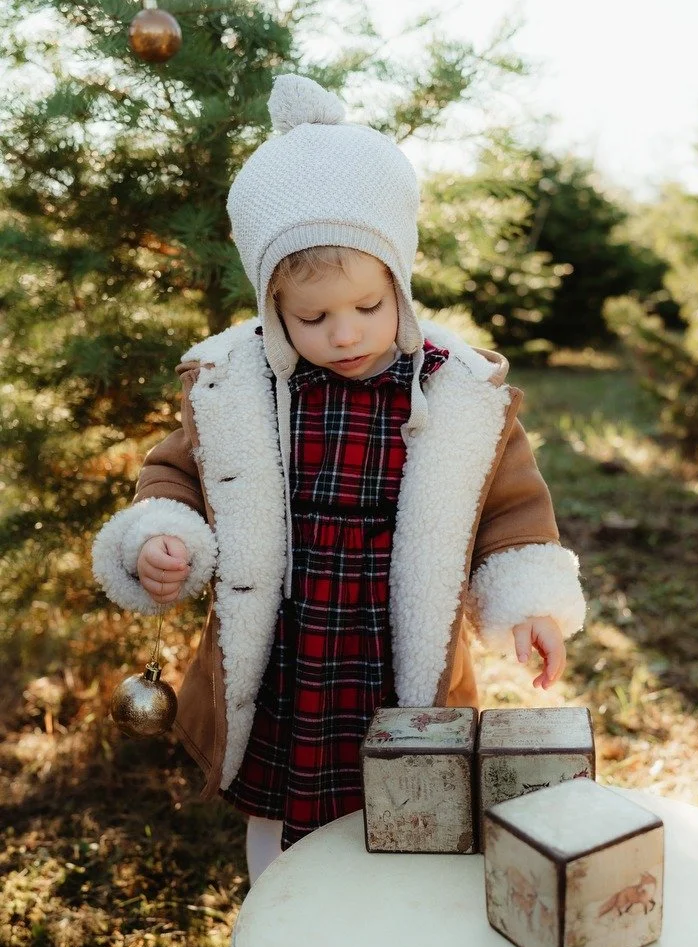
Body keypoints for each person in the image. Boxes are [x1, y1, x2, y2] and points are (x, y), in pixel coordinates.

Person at [92, 74, 586, 884]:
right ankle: (279, 919)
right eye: (313, 318)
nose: (345, 334)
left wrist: (529, 604)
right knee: (279, 807)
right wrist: (164, 536)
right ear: (271, 305)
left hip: (397, 657)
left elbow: (513, 516)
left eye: (367, 305)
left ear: (399, 280)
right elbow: (173, 474)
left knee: (406, 803)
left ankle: (383, 935)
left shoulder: (458, 396)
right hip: (290, 651)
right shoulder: (237, 387)